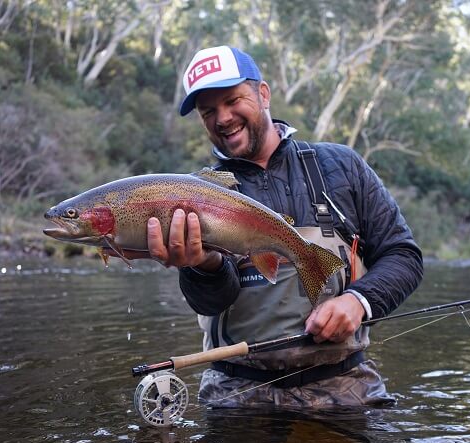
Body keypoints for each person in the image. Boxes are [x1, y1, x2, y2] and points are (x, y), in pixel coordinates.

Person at [147, 45, 423, 407]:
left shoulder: (340, 166)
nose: (223, 118)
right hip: (235, 393)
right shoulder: (197, 193)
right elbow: (211, 302)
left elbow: (403, 255)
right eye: (208, 111)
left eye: (233, 100)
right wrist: (202, 265)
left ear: (263, 93)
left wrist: (359, 301)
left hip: (345, 386)